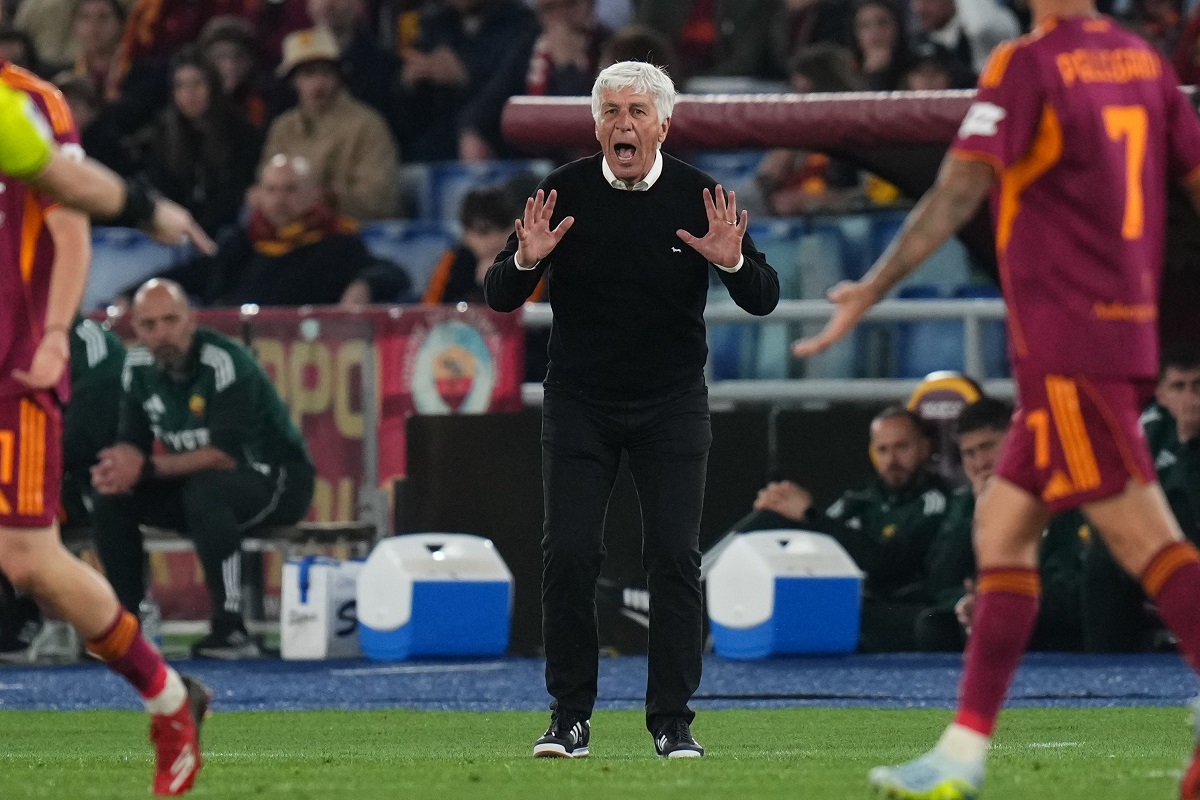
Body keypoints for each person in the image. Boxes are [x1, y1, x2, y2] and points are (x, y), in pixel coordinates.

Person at [792, 2, 1200, 797]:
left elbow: (956, 190)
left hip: (1069, 348)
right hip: (1120, 335)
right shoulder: (1145, 62)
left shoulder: (1026, 64)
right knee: (1003, 527)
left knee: (1142, 534)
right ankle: (963, 751)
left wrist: (871, 289)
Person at [485, 60, 780, 759]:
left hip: (671, 402)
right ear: (595, 124)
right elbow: (499, 294)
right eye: (612, 110)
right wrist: (527, 262)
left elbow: (763, 296)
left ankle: (672, 720)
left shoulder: (701, 196)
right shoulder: (560, 192)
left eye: (637, 112)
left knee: (675, 558)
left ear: (663, 124)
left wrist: (733, 264)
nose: (624, 123)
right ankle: (569, 716)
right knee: (569, 555)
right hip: (580, 401)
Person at [0, 63, 209, 797]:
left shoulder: (23, 104)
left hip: (11, 365)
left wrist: (56, 331)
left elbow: (68, 204)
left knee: (28, 561)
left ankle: (169, 700)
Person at [90, 279, 316, 659]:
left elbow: (223, 455)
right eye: (149, 325)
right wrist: (121, 466)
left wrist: (142, 467)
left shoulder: (225, 362)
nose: (162, 333)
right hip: (201, 482)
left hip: (276, 478)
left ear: (191, 321)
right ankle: (127, 627)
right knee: (111, 495)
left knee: (208, 490)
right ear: (136, 330)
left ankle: (230, 627)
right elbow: (132, 438)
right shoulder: (138, 366)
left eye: (170, 320)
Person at [736, 407, 951, 651]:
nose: (892, 460)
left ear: (924, 448)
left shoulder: (935, 501)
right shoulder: (860, 497)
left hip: (898, 608)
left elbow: (889, 563)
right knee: (771, 517)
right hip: (851, 603)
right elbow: (820, 537)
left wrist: (809, 515)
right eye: (882, 450)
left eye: (902, 447)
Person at [919, 398, 1087, 653]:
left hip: (1047, 614)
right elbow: (940, 581)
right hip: (990, 611)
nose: (979, 463)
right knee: (932, 623)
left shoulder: (1055, 492)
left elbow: (1069, 583)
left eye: (987, 447)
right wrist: (965, 602)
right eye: (969, 453)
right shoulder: (965, 503)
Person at [132, 154, 407, 307]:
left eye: (290, 189)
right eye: (271, 190)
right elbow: (191, 275)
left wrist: (363, 285)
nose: (279, 199)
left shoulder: (337, 242)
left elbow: (394, 275)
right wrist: (135, 294)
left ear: (314, 195)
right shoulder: (241, 243)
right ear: (258, 196)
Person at [1081, 346, 1200, 651]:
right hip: (1165, 542)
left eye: (1197, 386)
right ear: (1160, 394)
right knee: (1106, 551)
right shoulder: (1148, 432)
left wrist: (1189, 446)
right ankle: (1106, 666)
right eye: (1178, 387)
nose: (1190, 397)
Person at [262, 27, 399, 222]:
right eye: (308, 74)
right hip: (287, 233)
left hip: (348, 234)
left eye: (326, 73)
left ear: (338, 77)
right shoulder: (282, 128)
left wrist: (331, 199)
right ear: (294, 81)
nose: (318, 84)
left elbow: (380, 199)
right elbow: (266, 182)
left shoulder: (368, 125)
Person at [139, 49, 262, 237]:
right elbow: (161, 188)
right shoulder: (163, 133)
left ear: (213, 86)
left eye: (197, 84)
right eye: (180, 86)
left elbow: (234, 195)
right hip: (178, 230)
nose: (189, 94)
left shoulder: (240, 132)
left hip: (225, 230)